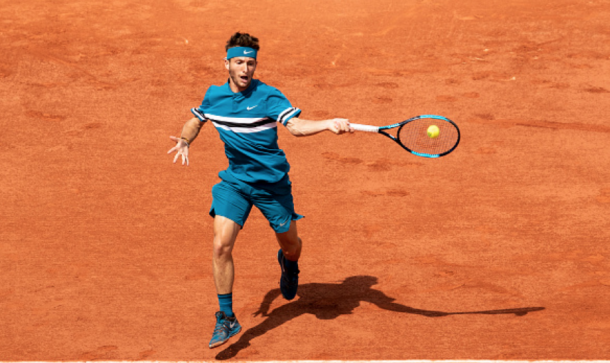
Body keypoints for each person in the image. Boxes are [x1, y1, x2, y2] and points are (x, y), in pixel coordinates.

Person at [167, 32, 353, 349]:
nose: (245, 68)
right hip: (235, 182)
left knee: (291, 244)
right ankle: (226, 317)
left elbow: (295, 127)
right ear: (226, 63)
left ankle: (289, 263)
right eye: (239, 62)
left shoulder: (268, 96)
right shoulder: (214, 97)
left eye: (250, 63)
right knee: (220, 245)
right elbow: (196, 121)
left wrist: (326, 123)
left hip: (272, 185)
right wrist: (185, 140)